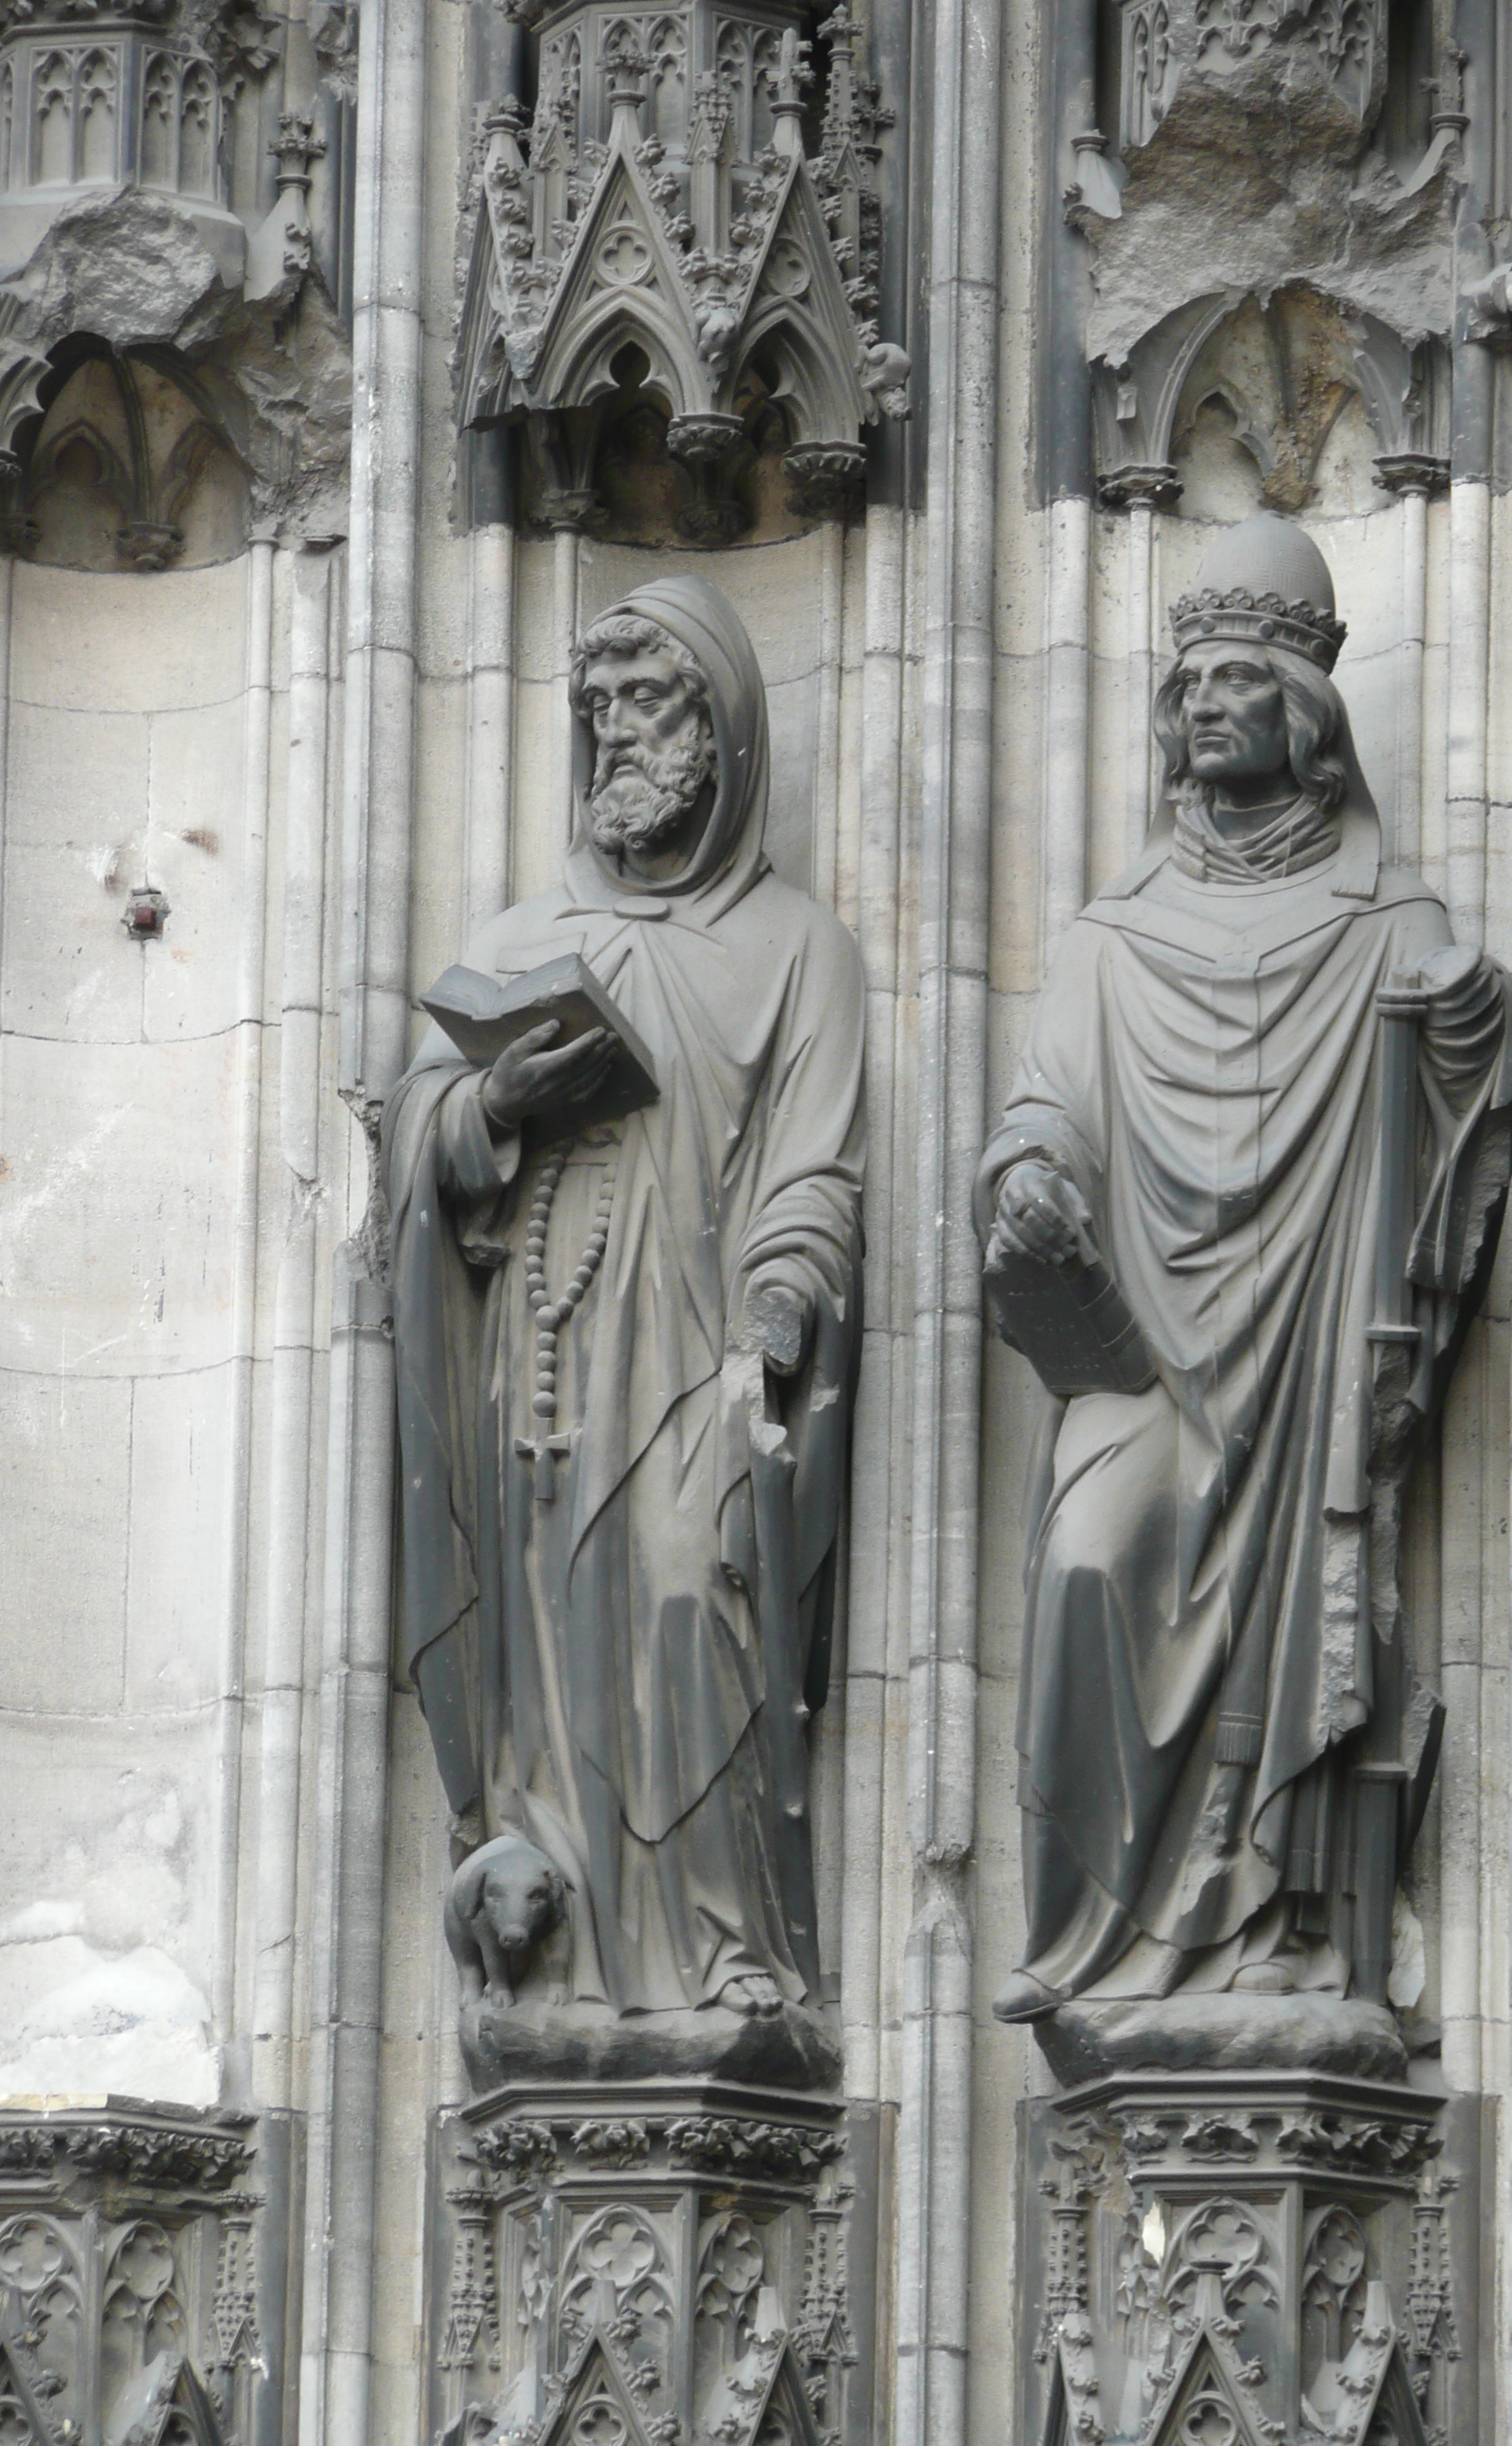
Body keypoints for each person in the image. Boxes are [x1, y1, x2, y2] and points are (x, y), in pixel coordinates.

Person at [978, 514, 1512, 2022]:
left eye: (1234, 677)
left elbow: (1465, 1114)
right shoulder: (1111, 936)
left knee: (1309, 1624)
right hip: (1145, 1347)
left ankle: (1272, 1925)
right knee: (1092, 1560)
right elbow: (1046, 1110)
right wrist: (1025, 1180)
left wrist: (1472, 1019)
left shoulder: (1386, 919)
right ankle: (1103, 1932)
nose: (1204, 702)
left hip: (1304, 1348)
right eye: (1187, 682)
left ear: (1307, 710)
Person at [385, 576, 865, 2025]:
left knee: (683, 1591)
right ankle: (562, 1949)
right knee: (551, 1639)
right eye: (596, 712)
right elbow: (416, 1140)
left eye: (648, 707)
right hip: (539, 1360)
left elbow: (816, 1172)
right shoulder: (525, 936)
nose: (616, 742)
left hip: (701, 1360)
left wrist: (778, 1314)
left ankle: (729, 1941)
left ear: (721, 732)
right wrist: (494, 1103)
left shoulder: (796, 949)